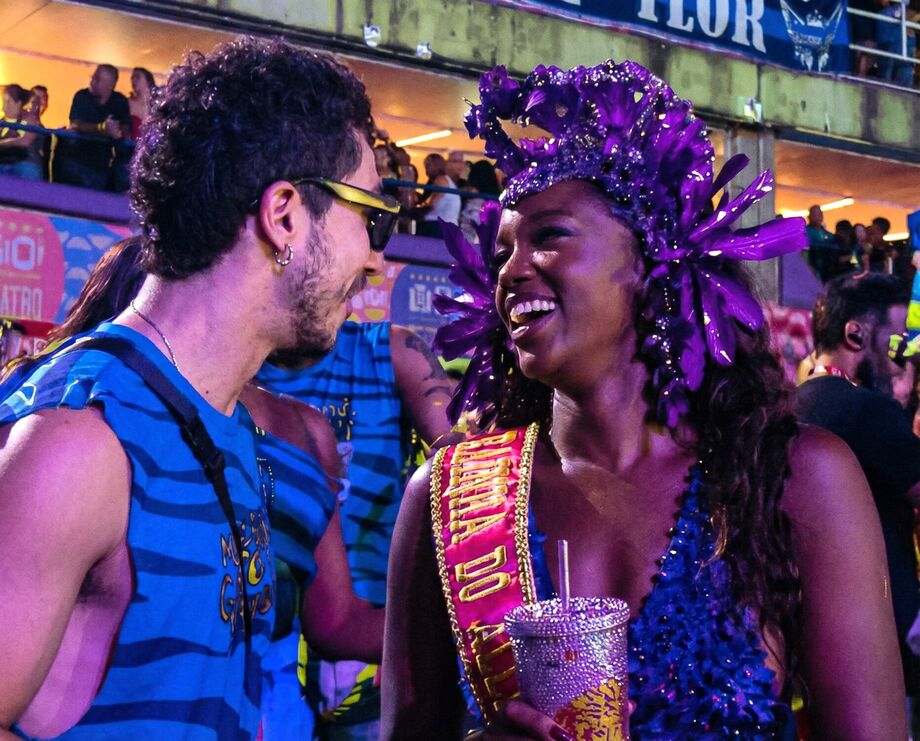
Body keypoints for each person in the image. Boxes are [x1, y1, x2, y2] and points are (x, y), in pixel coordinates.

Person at [382, 60, 905, 738]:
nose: (510, 271)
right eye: (502, 250)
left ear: (652, 261)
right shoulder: (447, 496)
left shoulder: (797, 476)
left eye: (549, 236)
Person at [0, 36, 397, 739]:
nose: (373, 259)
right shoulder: (79, 440)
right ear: (284, 215)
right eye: (370, 216)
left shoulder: (224, 428)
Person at [256, 319, 456, 739]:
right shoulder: (237, 367)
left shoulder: (389, 351)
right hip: (267, 661)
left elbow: (464, 471)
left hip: (374, 648)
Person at [795, 272, 920, 704]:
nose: (900, 357)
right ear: (855, 334)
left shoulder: (797, 402)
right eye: (895, 341)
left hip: (813, 636)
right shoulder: (866, 410)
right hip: (882, 637)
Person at [53, 64, 130, 191]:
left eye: (97, 79)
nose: (92, 81)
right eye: (93, 77)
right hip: (75, 160)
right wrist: (102, 128)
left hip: (100, 165)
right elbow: (76, 124)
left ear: (109, 85)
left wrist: (117, 133)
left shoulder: (119, 101)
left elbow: (125, 129)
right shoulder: (82, 96)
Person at [0, 84, 42, 180]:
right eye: (4, 102)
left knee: (28, 170)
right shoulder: (2, 122)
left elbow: (25, 141)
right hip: (2, 162)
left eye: (8, 102)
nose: (4, 107)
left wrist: (3, 143)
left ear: (19, 104)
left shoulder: (29, 120)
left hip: (23, 163)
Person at [415, 152, 461, 237]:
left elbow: (432, 204)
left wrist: (415, 212)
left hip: (437, 225)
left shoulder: (440, 180)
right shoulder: (448, 181)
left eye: (428, 165)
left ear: (436, 165)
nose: (426, 170)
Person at [128, 67, 156, 141]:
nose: (133, 80)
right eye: (132, 78)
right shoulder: (127, 103)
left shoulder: (157, 104)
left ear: (148, 81)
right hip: (130, 145)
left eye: (137, 77)